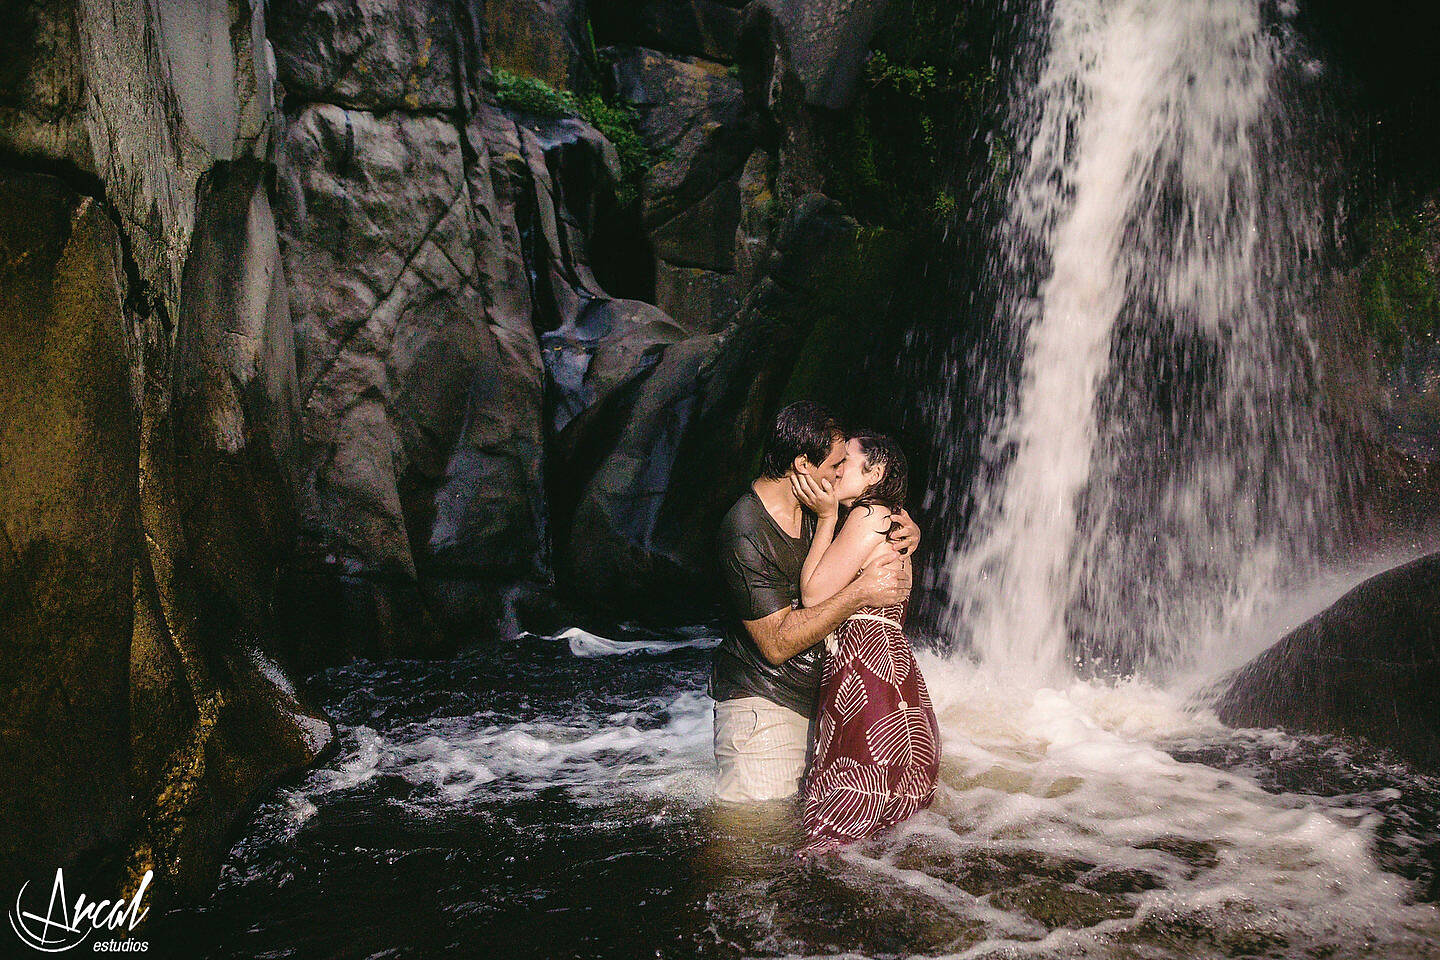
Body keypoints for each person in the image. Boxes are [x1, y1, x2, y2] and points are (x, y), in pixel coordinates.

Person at [711, 401, 922, 802]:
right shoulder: (745, 532)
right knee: (754, 847)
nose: (841, 472)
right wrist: (860, 593)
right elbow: (777, 644)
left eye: (846, 463)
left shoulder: (823, 505)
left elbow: (869, 529)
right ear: (803, 465)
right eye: (836, 464)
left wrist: (909, 528)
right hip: (766, 703)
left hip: (822, 700)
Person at [790, 432, 940, 853]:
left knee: (845, 804)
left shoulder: (866, 514)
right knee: (884, 817)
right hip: (896, 667)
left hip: (864, 665)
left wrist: (824, 520)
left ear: (875, 472)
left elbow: (815, 596)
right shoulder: (894, 518)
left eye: (847, 464)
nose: (836, 471)